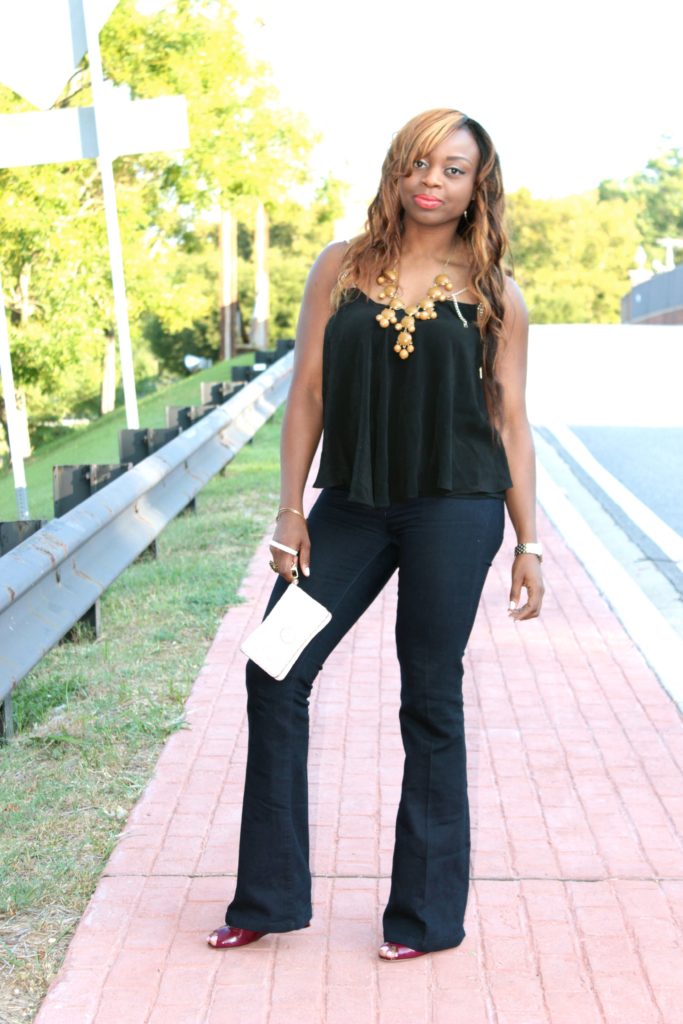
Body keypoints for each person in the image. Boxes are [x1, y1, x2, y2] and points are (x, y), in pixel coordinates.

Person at [207, 108, 544, 961]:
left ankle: (425, 919)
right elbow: (310, 393)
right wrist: (289, 509)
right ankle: (269, 897)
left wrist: (527, 542)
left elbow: (508, 419)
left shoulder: (496, 292)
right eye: (419, 164)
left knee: (428, 695)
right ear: (397, 172)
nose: (432, 181)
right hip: (350, 507)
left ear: (477, 188)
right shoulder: (340, 268)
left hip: (456, 508)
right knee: (273, 665)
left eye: (453, 170)